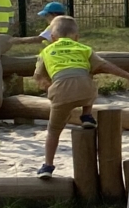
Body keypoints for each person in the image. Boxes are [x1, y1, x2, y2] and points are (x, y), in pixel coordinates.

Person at [32, 15, 103, 179]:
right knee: (88, 78)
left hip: (61, 94)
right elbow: (101, 66)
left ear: (53, 37)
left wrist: (47, 85)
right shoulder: (83, 49)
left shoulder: (46, 51)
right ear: (77, 37)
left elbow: (38, 76)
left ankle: (48, 165)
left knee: (53, 131)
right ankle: (87, 115)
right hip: (86, 92)